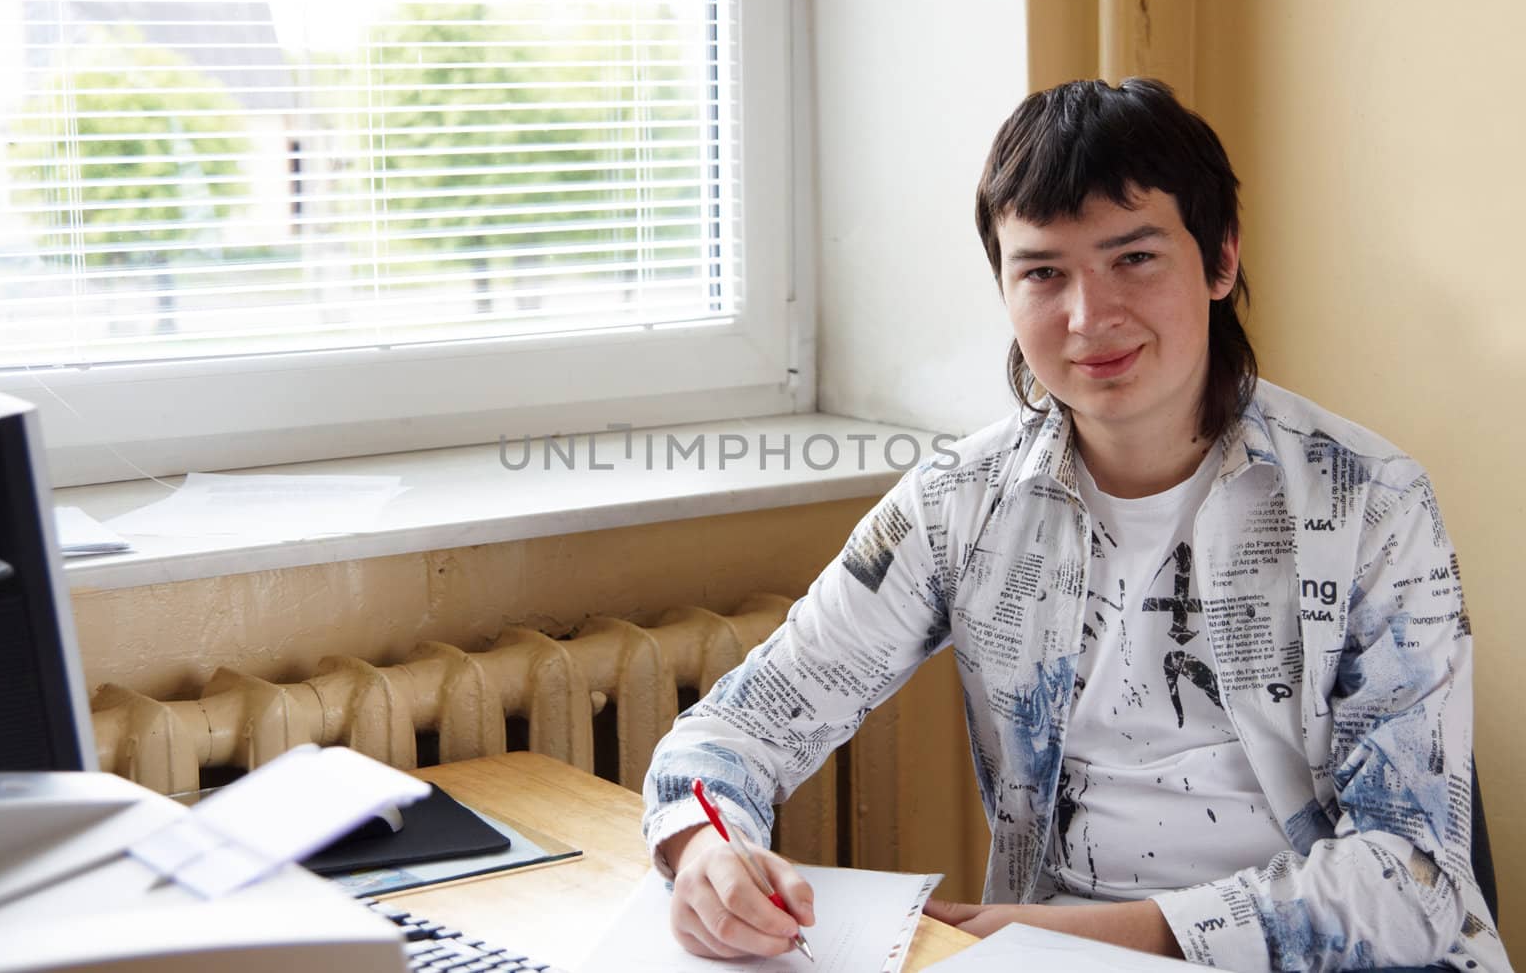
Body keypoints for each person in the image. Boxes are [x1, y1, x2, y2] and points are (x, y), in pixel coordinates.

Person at [640, 77, 1509, 972]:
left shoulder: (1372, 500)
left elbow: (1413, 881)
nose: (1088, 318)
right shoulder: (957, 503)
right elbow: (732, 731)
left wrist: (1079, 933)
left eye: (1134, 258)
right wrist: (706, 852)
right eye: (1044, 272)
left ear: (1220, 260)